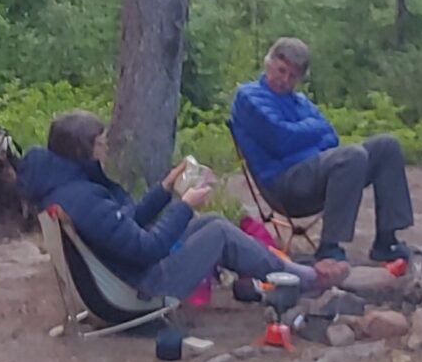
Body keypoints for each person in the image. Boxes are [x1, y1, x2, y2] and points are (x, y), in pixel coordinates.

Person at [17, 110, 349, 302]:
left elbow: (124, 223)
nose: (106, 149)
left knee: (212, 221)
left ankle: (276, 279)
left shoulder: (65, 187)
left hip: (121, 274)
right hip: (140, 287)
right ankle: (302, 280)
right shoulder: (84, 197)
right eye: (101, 144)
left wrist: (165, 189)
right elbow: (147, 248)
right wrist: (185, 205)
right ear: (82, 150)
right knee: (217, 230)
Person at [230, 37, 415, 263]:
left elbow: (331, 136)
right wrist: (311, 134)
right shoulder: (249, 97)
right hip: (284, 184)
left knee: (387, 146)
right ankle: (329, 247)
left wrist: (301, 136)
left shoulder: (299, 101)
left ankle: (386, 240)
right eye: (281, 70)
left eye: (293, 76)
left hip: (315, 175)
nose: (285, 80)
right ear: (267, 63)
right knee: (352, 156)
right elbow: (280, 139)